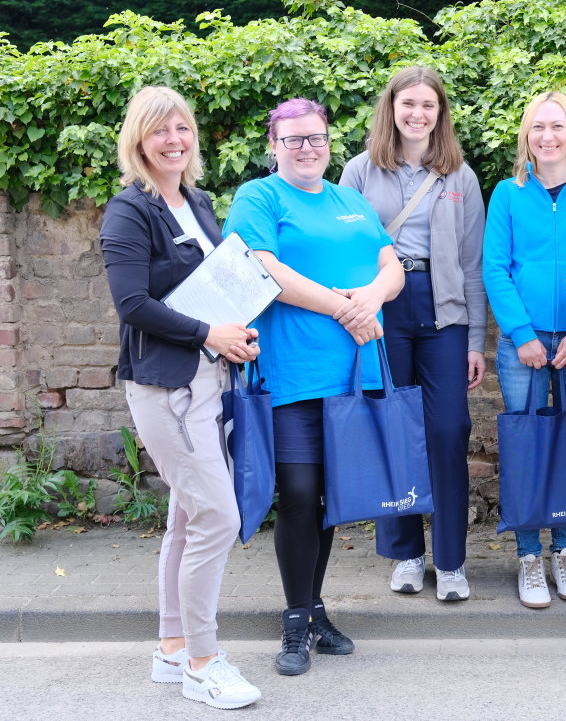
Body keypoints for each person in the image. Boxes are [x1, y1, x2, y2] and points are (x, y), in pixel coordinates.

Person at [223, 98, 404, 675]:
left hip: (354, 375)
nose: (306, 148)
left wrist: (372, 297)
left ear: (330, 142)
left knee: (329, 501)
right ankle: (296, 622)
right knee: (299, 496)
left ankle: (314, 608)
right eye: (294, 139)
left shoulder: (351, 200)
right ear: (273, 145)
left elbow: (391, 264)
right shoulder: (259, 197)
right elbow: (264, 269)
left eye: (316, 138)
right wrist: (344, 309)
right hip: (292, 374)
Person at [100, 85, 262, 709]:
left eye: (182, 129)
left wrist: (233, 333)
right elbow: (132, 304)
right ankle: (202, 660)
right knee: (218, 517)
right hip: (164, 385)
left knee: (189, 516)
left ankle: (172, 648)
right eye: (159, 130)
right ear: (138, 140)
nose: (173, 140)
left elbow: (211, 284)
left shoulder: (194, 200)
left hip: (207, 377)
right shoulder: (128, 210)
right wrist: (207, 333)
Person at [339, 66, 486, 602]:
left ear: (440, 112)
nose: (418, 114)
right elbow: (344, 251)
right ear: (392, 108)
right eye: (409, 104)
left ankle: (450, 562)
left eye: (428, 105)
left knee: (448, 432)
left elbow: (472, 267)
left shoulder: (460, 177)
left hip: (442, 314)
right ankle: (405, 555)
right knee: (391, 429)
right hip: (382, 311)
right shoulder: (358, 173)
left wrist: (474, 343)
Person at [483, 91, 566, 609]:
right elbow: (496, 268)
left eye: (557, 126)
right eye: (538, 127)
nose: (547, 136)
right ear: (526, 136)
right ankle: (530, 557)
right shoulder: (508, 194)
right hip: (524, 343)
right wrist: (522, 334)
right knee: (526, 445)